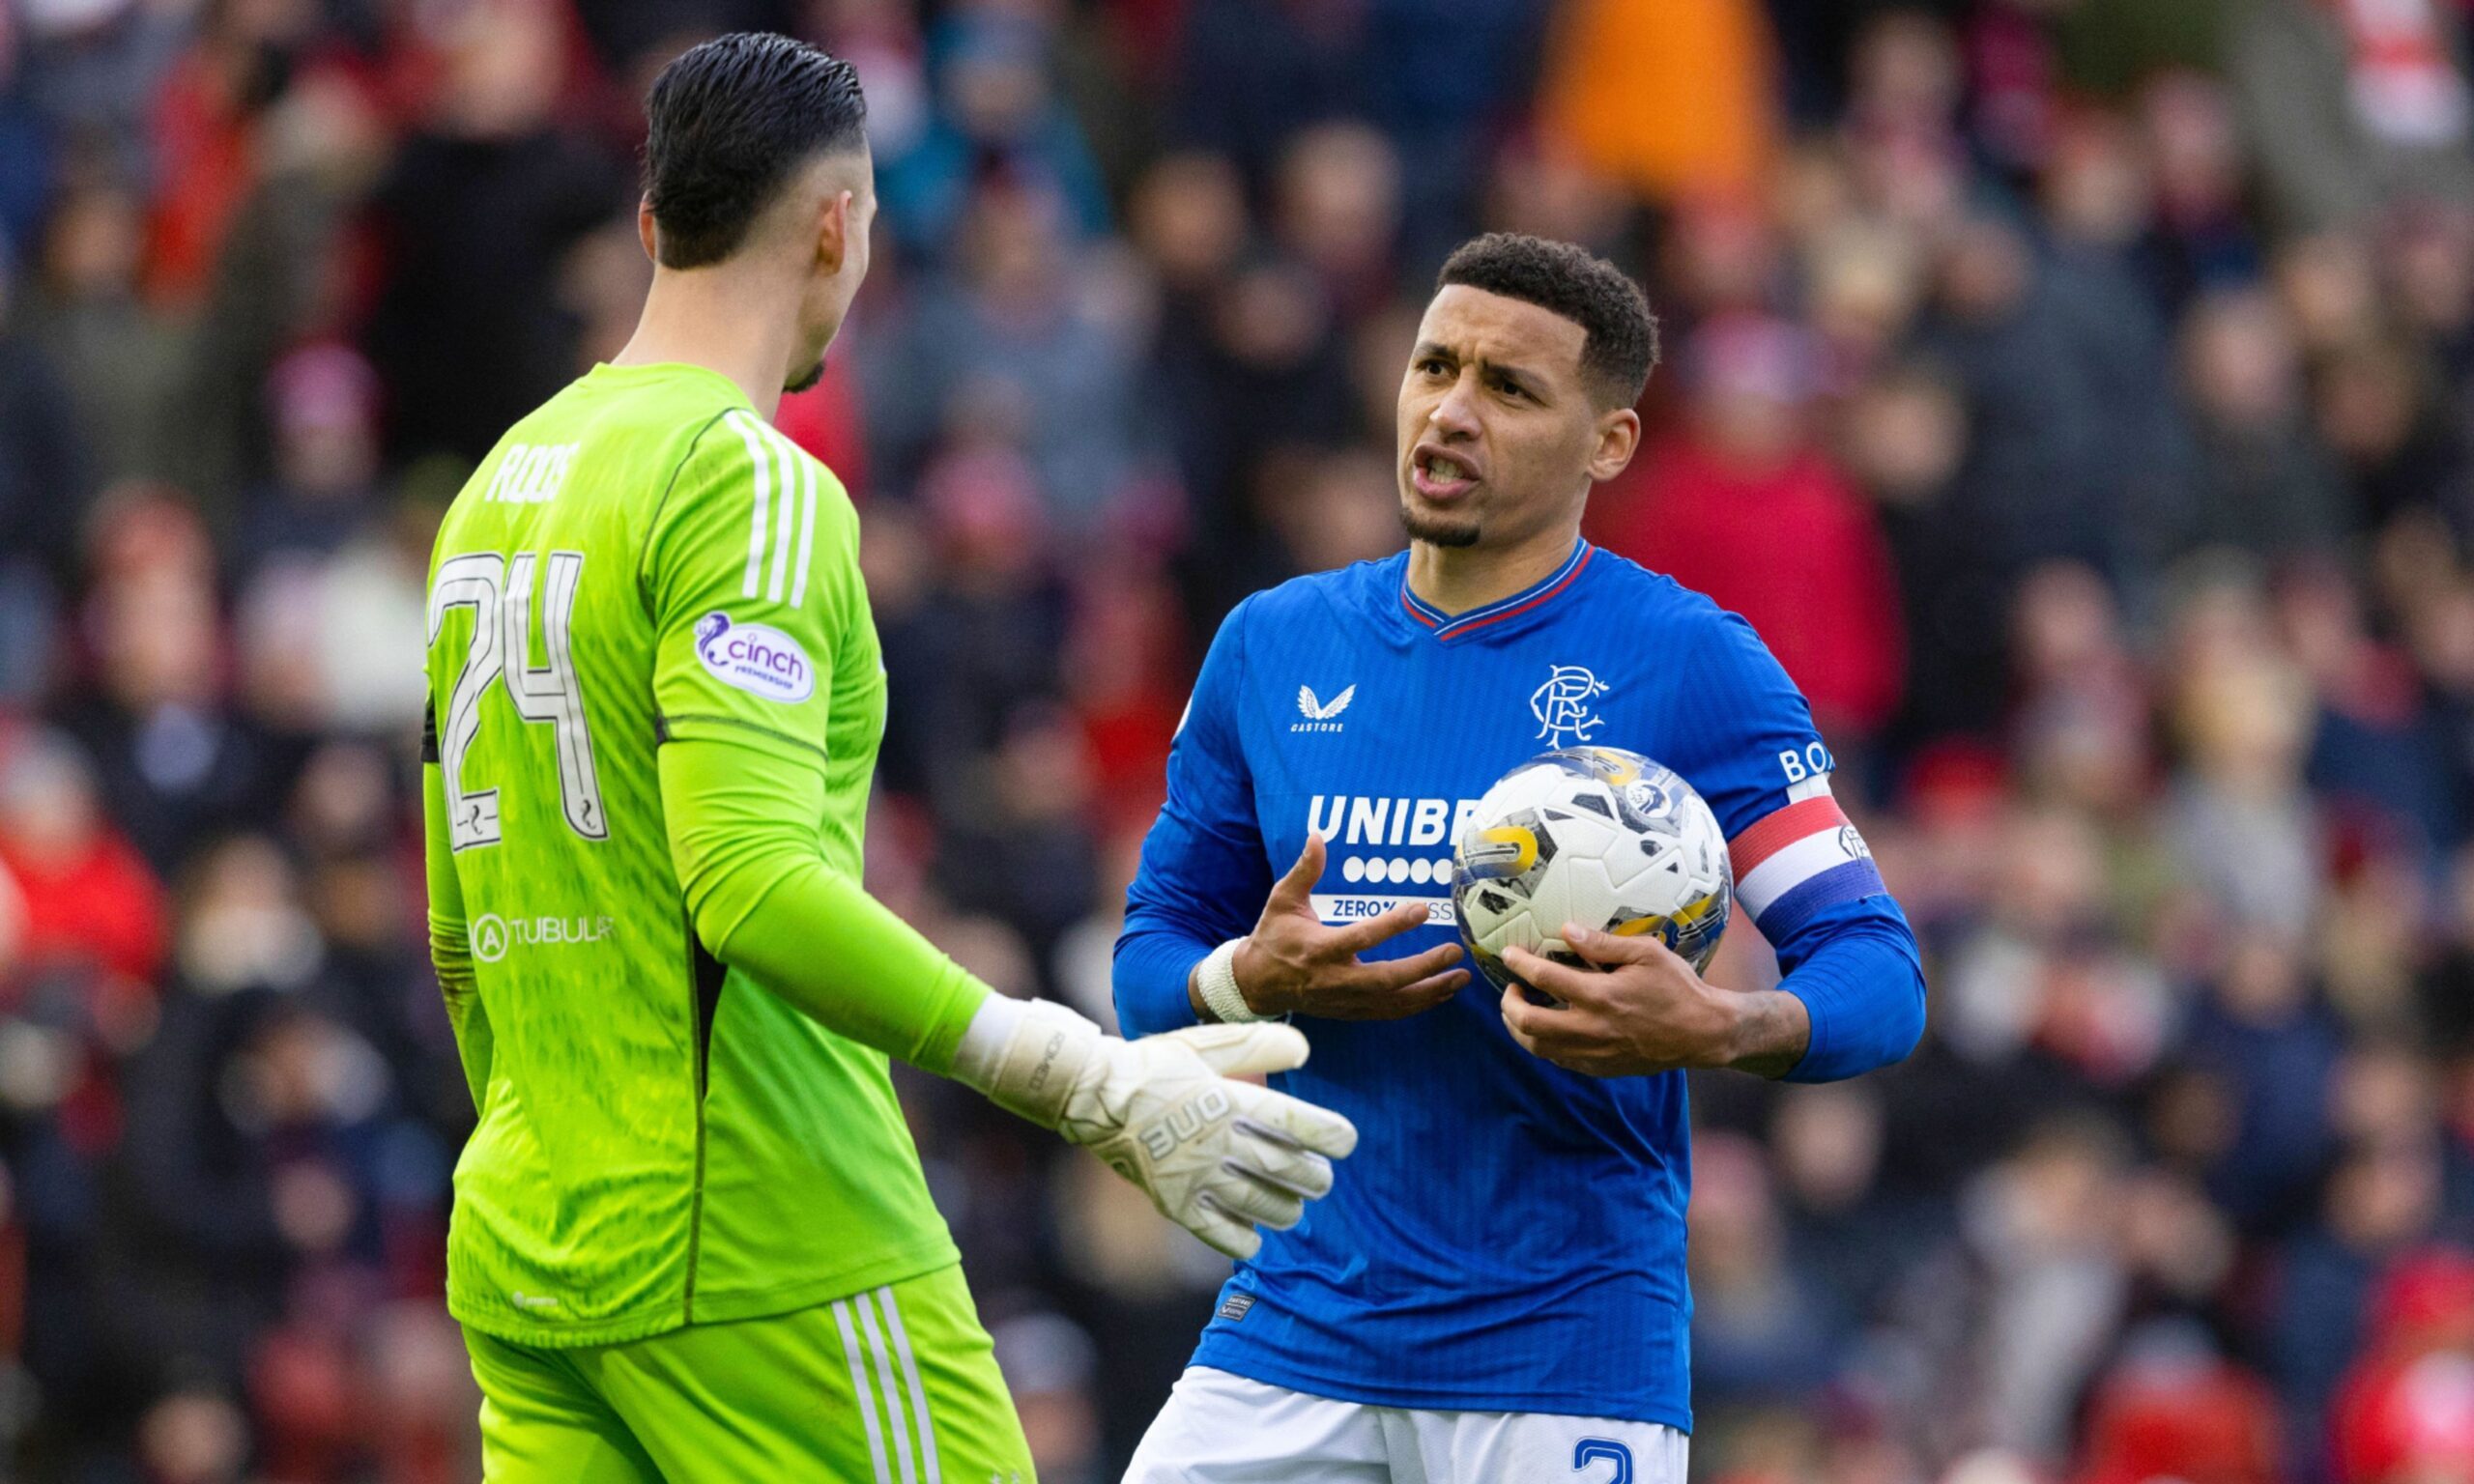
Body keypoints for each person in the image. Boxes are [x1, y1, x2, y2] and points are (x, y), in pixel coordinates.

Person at [418, 34, 1357, 1482]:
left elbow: (462, 928)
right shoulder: (748, 481)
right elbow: (746, 883)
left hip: (539, 1245)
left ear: (652, 222)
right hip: (768, 1243)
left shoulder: (499, 489)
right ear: (842, 225)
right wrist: (1079, 1077)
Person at [1115, 233, 1928, 1480]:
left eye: (1509, 388)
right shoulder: (1270, 648)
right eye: (1434, 366)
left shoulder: (1690, 661)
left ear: (1608, 444)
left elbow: (1876, 969)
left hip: (1560, 1357)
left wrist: (1715, 1027)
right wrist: (1250, 979)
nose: (1450, 411)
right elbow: (1147, 969)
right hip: (1294, 1330)